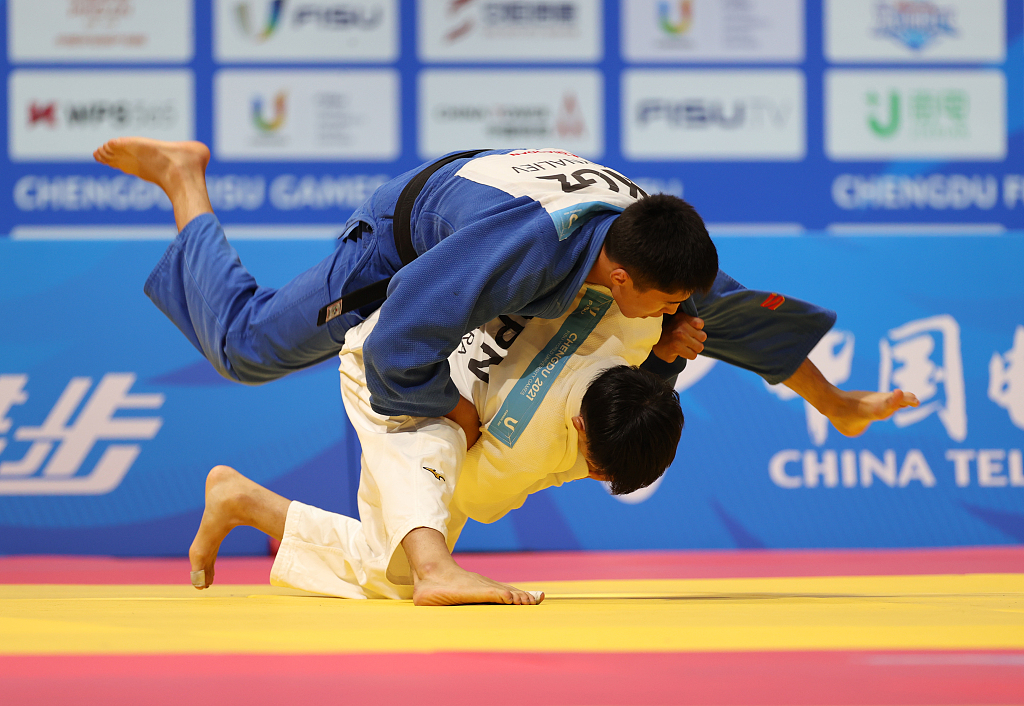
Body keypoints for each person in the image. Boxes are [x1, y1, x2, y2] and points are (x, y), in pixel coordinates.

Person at [92, 138, 915, 439]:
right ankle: (183, 181)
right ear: (620, 275)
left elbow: (738, 323)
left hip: (495, 191)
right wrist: (450, 408)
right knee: (246, 350)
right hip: (407, 231)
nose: (676, 316)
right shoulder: (516, 255)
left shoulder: (655, 245)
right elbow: (399, 339)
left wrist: (837, 405)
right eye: (664, 302)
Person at [189, 283, 683, 605]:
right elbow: (471, 498)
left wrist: (665, 350)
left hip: (413, 319)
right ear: (578, 425)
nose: (594, 475)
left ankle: (243, 501)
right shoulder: (534, 444)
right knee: (444, 456)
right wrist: (567, 467)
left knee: (392, 572)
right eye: (597, 465)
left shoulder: (638, 321)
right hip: (387, 369)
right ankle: (434, 570)